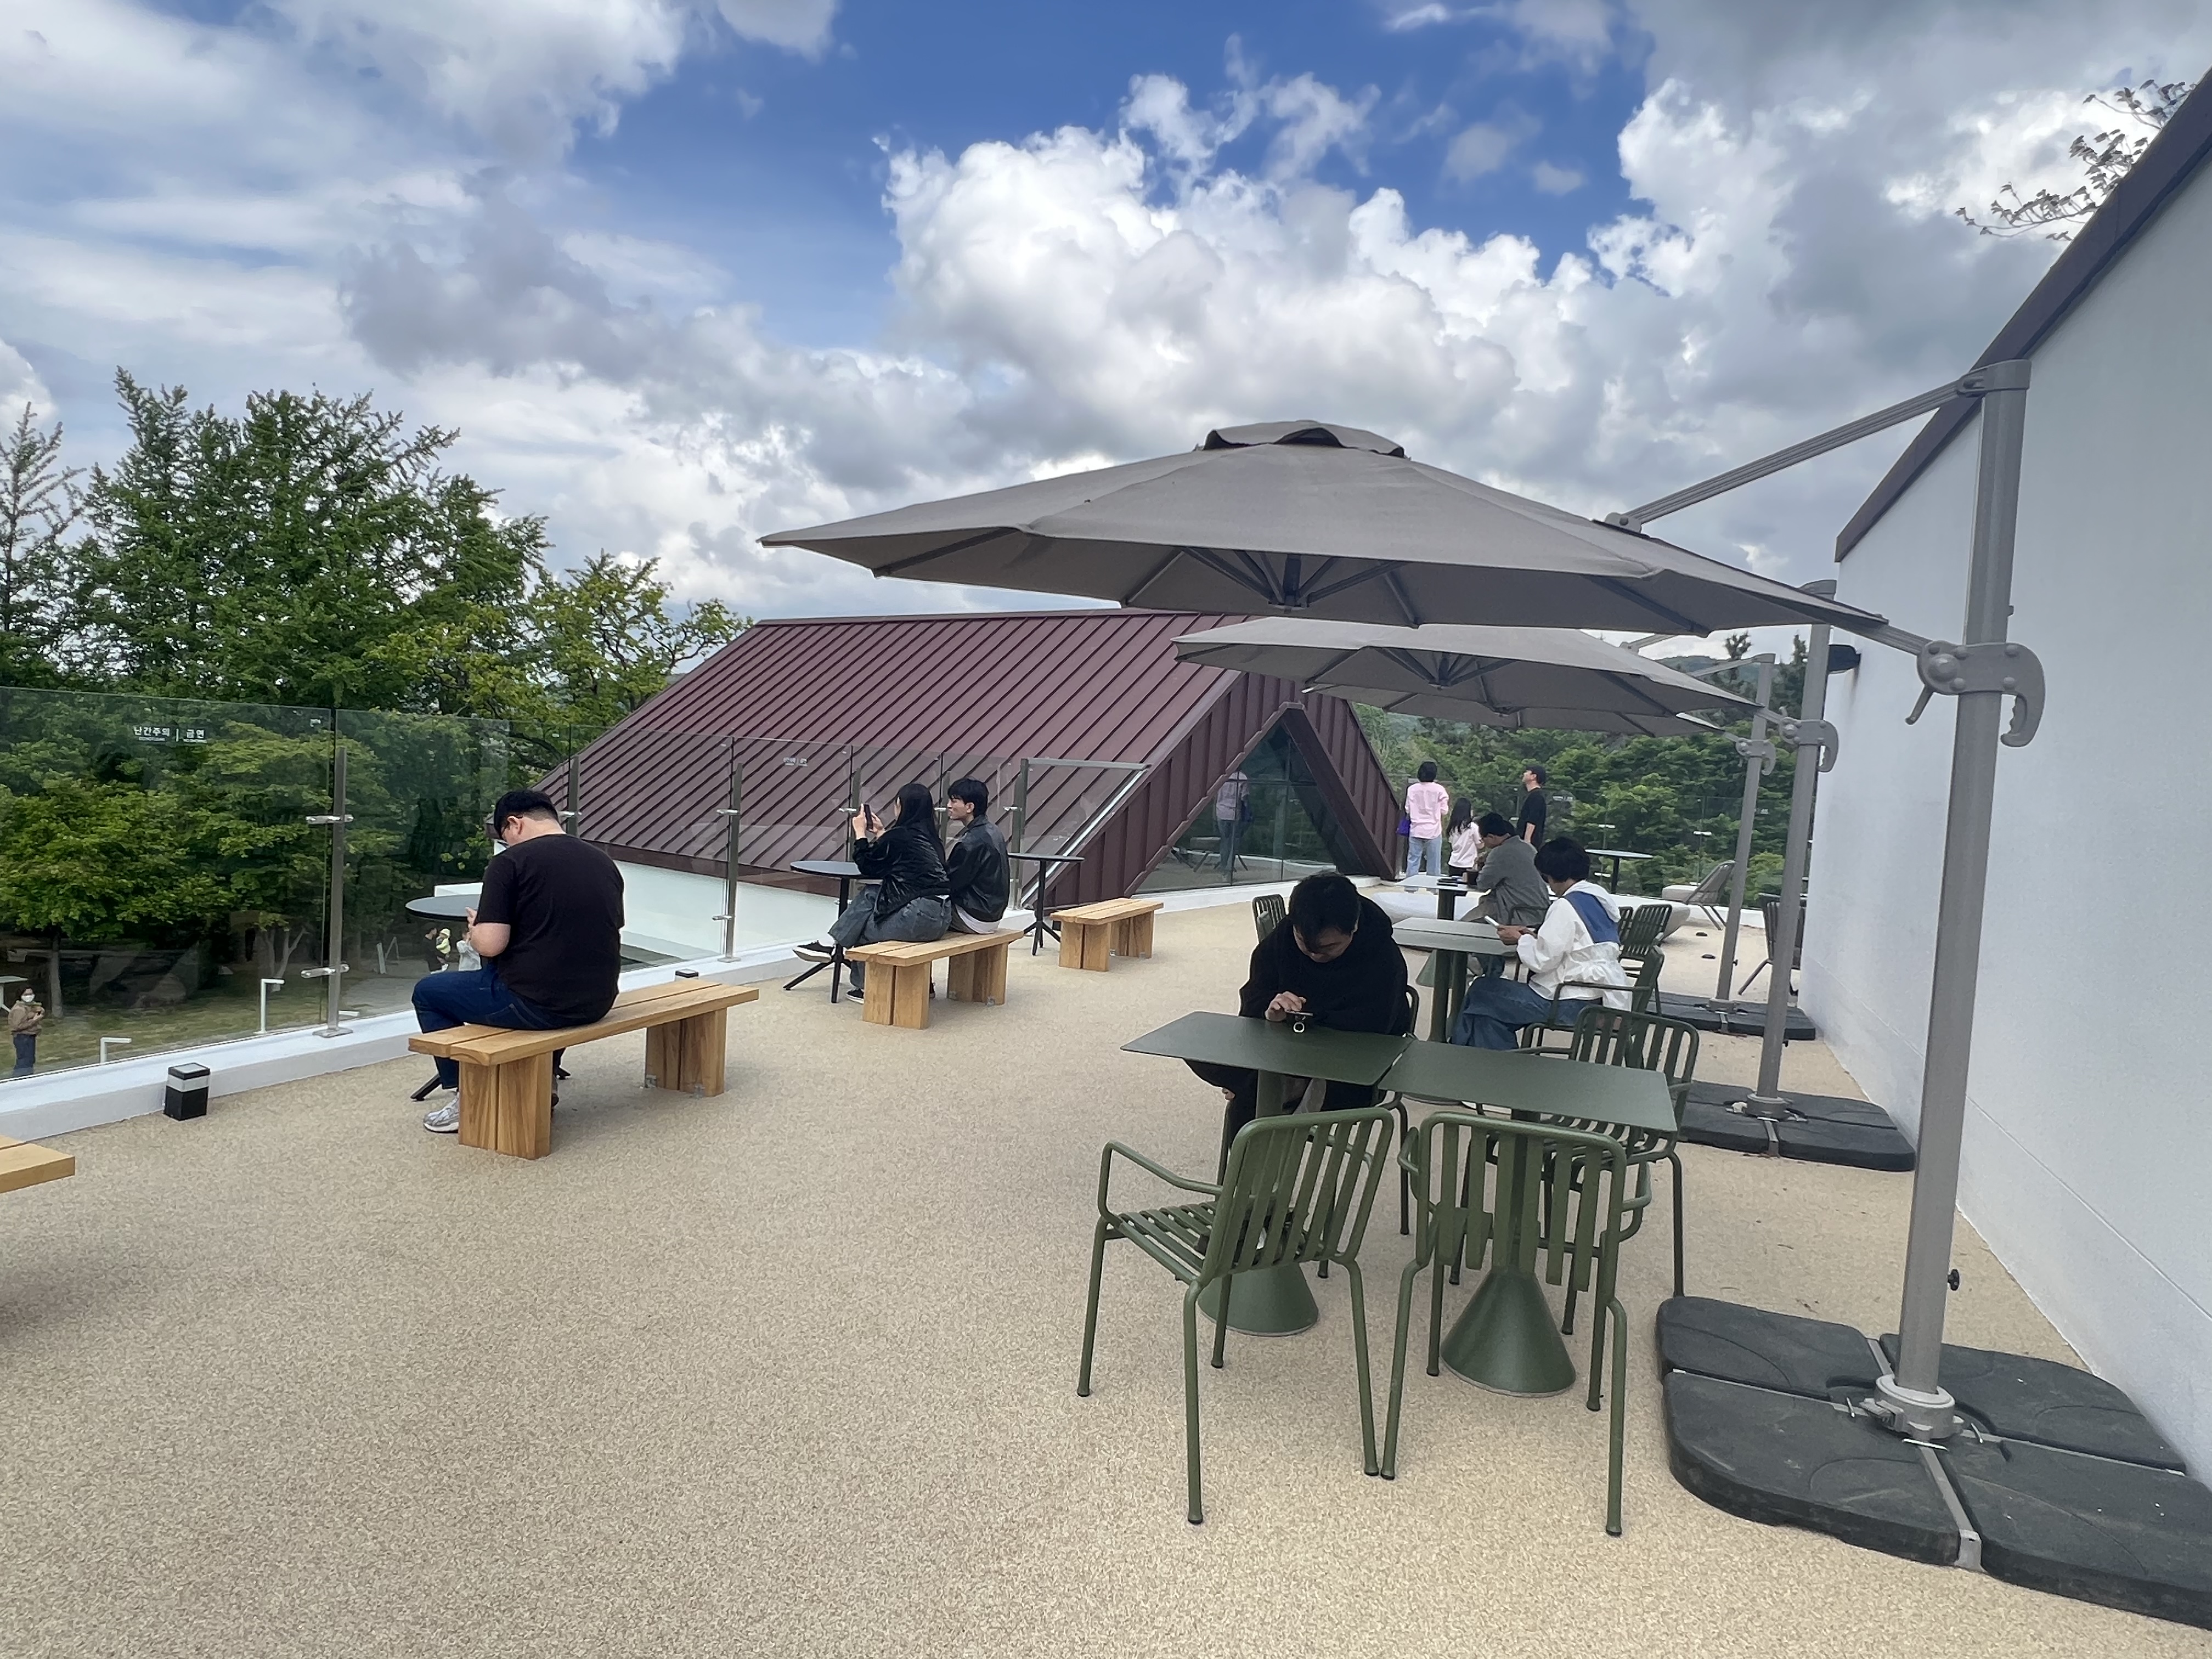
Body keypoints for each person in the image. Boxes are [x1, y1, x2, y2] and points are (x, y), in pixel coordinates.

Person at [413, 789, 626, 1133]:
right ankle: (546, 1079)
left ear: (515, 823)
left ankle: (468, 1094)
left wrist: (476, 930)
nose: (506, 845)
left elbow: (491, 946)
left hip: (538, 1005)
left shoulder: (510, 863)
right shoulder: (601, 861)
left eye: (504, 837)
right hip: (598, 1000)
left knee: (428, 992)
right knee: (547, 976)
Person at [1186, 872, 1412, 1174]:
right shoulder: (1283, 938)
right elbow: (1254, 996)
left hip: (1347, 1067)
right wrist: (1270, 1009)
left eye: (1329, 948)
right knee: (1197, 1047)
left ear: (1354, 928)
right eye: (1305, 945)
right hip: (1281, 1053)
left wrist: (1303, 1018)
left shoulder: (1384, 958)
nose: (1315, 955)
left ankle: (1256, 1190)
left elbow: (1376, 1030)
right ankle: (1254, 1190)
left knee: (1255, 1100)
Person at [1449, 838, 1629, 1050]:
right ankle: (1481, 1056)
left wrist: (1520, 939)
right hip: (1599, 995)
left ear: (1552, 875)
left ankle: (1461, 1049)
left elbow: (1543, 960)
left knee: (1482, 991)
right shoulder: (1598, 900)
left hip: (1569, 1001)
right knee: (1486, 1015)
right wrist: (1533, 935)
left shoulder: (1565, 906)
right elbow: (1578, 945)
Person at [809, 781, 951, 996]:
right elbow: (901, 859)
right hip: (941, 917)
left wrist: (860, 834)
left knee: (861, 928)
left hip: (918, 918)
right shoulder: (933, 840)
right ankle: (924, 985)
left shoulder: (900, 836)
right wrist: (882, 833)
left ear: (901, 806)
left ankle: (866, 989)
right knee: (871, 894)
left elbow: (869, 866)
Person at [944, 776, 1009, 934]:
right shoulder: (993, 830)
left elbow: (950, 883)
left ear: (970, 807)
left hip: (973, 917)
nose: (949, 806)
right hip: (991, 914)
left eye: (954, 801)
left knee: (919, 911)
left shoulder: (971, 841)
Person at [1466, 812, 1550, 929]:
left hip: (1518, 912)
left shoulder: (1500, 852)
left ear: (1491, 837)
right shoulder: (1528, 847)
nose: (1483, 843)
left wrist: (1483, 865)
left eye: (1483, 839)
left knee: (1464, 927)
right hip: (1540, 911)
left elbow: (1483, 885)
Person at [1403, 761, 1449, 885]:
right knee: (1434, 863)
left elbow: (1408, 809)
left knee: (1413, 860)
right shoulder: (1439, 790)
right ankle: (1433, 888)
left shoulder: (1412, 789)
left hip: (1416, 829)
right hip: (1434, 830)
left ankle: (1410, 887)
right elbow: (1444, 810)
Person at [1214, 769, 1249, 872]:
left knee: (1225, 841)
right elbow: (1244, 798)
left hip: (1221, 812)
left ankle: (1223, 866)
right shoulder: (1243, 778)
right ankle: (1229, 868)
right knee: (1233, 843)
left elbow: (1215, 796)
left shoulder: (1221, 776)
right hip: (1235, 813)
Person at [1444, 796, 1481, 883]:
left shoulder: (1452, 827)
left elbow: (1451, 842)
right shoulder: (1472, 827)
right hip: (1469, 865)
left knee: (1453, 887)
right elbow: (1479, 845)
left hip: (1454, 863)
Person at [8, 989, 42, 1076]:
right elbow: (17, 1026)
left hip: (29, 1036)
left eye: (31, 994)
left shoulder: (30, 1006)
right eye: (26, 994)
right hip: (22, 1037)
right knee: (24, 1061)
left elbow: (40, 1010)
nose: (29, 996)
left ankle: (28, 1077)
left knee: (30, 1060)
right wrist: (34, 1020)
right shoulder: (19, 1009)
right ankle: (19, 1079)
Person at [1517, 764, 1549, 845]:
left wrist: (1527, 841)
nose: (1524, 774)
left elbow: (1532, 820)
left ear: (1534, 777)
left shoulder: (1536, 796)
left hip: (1530, 842)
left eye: (1527, 772)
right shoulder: (1534, 795)